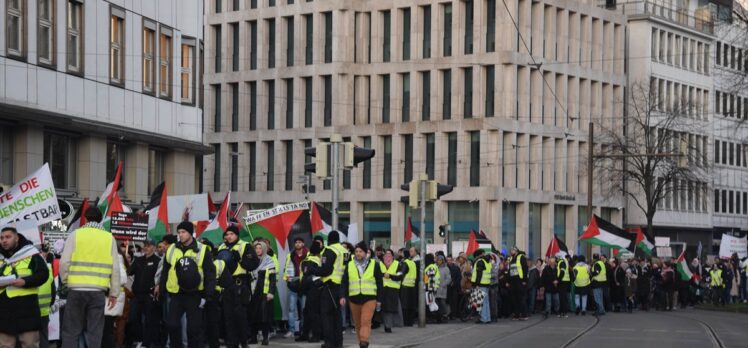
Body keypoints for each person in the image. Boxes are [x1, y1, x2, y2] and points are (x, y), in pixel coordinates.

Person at [60, 207, 121, 348]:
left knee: (71, 330)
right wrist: (114, 293)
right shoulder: (109, 238)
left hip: (76, 290)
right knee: (95, 331)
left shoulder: (75, 235)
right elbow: (115, 268)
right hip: (98, 291)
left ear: (85, 218)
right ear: (100, 219)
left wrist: (66, 280)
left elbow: (64, 262)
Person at [156, 221, 216, 348]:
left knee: (194, 329)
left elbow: (210, 274)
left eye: (183, 232)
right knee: (172, 325)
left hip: (194, 294)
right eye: (178, 232)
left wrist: (207, 296)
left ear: (190, 233)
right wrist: (162, 290)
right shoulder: (172, 248)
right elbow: (165, 271)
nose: (180, 235)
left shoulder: (202, 249)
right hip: (175, 294)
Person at [0, 227, 49, 348]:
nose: (4, 240)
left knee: (30, 344)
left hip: (27, 309)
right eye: (1, 238)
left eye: (8, 237)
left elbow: (43, 274)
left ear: (17, 238)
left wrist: (25, 281)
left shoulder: (31, 254)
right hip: (4, 310)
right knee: (5, 345)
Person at [218, 225, 258, 348]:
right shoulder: (222, 247)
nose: (229, 236)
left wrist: (240, 259)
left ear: (236, 235)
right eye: (227, 234)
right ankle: (231, 342)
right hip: (226, 284)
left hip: (240, 284)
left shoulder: (245, 245)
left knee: (241, 316)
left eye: (231, 234)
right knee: (228, 316)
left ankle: (244, 341)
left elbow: (253, 264)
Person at [341, 242, 384, 348]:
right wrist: (342, 296)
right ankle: (362, 343)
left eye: (360, 251)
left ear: (365, 253)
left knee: (366, 320)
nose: (358, 253)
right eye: (356, 251)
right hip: (354, 298)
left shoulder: (374, 264)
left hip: (370, 298)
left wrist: (379, 299)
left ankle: (364, 341)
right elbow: (344, 282)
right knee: (358, 324)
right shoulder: (350, 265)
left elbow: (380, 283)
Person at [313, 231, 348, 348]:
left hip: (329, 286)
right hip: (342, 287)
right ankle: (339, 343)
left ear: (329, 239)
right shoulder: (345, 251)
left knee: (327, 316)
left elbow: (325, 270)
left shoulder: (329, 251)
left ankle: (329, 343)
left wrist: (314, 270)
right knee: (337, 316)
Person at [128, 239, 162, 348]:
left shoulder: (158, 261)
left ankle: (146, 343)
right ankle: (138, 339)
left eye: (148, 245)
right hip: (136, 295)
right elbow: (129, 271)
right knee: (133, 318)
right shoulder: (138, 260)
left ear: (154, 247)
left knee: (148, 320)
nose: (145, 247)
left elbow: (160, 277)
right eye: (145, 245)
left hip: (149, 295)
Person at [248, 240, 276, 346]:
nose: (258, 250)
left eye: (260, 248)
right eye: (256, 248)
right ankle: (253, 337)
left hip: (264, 293)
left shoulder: (269, 261)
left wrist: (271, 292)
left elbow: (272, 279)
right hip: (253, 292)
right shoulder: (251, 261)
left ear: (264, 249)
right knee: (253, 315)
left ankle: (265, 338)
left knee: (264, 317)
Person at [296, 241, 322, 343]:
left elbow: (305, 276)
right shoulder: (319, 260)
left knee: (310, 313)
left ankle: (312, 335)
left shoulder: (307, 260)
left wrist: (301, 290)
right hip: (318, 288)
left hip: (311, 289)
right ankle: (311, 334)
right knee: (311, 312)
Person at [283, 238, 308, 338]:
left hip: (304, 284)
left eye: (299, 242)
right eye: (296, 242)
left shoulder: (308, 255)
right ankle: (291, 330)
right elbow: (286, 268)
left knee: (304, 309)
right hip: (292, 284)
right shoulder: (290, 255)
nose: (297, 244)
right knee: (291, 309)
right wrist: (286, 279)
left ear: (303, 243)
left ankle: (303, 329)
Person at [379, 249, 403, 331]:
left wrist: (390, 276)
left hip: (393, 290)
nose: (387, 257)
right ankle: (386, 325)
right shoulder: (380, 264)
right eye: (386, 255)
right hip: (382, 289)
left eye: (389, 255)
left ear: (393, 257)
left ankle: (388, 326)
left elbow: (400, 276)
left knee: (390, 309)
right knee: (382, 308)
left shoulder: (397, 264)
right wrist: (383, 275)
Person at [471, 249, 492, 324]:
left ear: (478, 255)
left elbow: (479, 274)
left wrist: (476, 284)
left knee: (480, 302)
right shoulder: (487, 261)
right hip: (486, 283)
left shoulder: (479, 261)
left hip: (480, 284)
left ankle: (483, 318)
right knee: (486, 302)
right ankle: (487, 318)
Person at [507, 247, 528, 321]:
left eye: (512, 250)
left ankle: (524, 314)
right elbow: (510, 270)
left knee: (521, 298)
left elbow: (525, 268)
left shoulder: (521, 257)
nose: (511, 252)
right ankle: (517, 314)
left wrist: (524, 280)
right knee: (515, 299)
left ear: (516, 251)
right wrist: (508, 281)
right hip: (513, 281)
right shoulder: (511, 259)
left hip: (520, 280)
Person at [399, 248, 418, 327]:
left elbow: (402, 274)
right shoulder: (413, 263)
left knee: (405, 306)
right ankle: (410, 322)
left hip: (405, 286)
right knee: (411, 305)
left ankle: (405, 322)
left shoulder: (405, 263)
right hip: (412, 286)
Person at [446, 256, 462, 320]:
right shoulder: (446, 267)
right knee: (448, 301)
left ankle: (454, 314)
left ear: (452, 260)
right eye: (447, 260)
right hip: (447, 287)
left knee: (454, 301)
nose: (449, 261)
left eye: (450, 260)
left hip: (454, 287)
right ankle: (449, 314)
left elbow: (459, 277)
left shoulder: (456, 268)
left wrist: (454, 283)